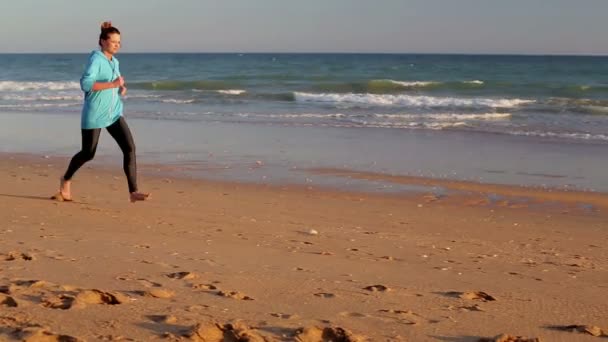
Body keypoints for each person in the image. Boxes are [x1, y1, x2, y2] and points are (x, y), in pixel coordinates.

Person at [55, 21, 150, 203]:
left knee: (129, 148)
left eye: (119, 42)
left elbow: (115, 82)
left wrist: (120, 88)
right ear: (102, 42)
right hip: (95, 114)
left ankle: (133, 192)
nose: (117, 45)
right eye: (113, 41)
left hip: (114, 113)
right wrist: (113, 85)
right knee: (88, 153)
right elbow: (86, 84)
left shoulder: (114, 61)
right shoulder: (95, 59)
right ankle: (66, 178)